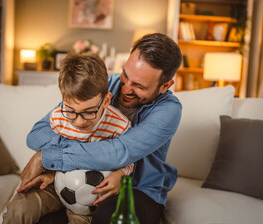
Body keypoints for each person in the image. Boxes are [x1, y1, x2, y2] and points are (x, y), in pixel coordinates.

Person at [22, 33, 183, 224]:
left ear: (165, 85)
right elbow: (39, 131)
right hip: (80, 179)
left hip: (139, 189)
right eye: (125, 74)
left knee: (110, 217)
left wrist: (47, 156)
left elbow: (119, 152)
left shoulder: (169, 110)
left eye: (138, 85)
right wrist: (61, 148)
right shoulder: (104, 85)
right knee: (44, 219)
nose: (125, 88)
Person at [3, 53, 134, 224]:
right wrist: (53, 167)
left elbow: (130, 159)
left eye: (89, 112)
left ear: (107, 100)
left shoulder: (119, 125)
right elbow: (34, 138)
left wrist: (121, 175)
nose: (79, 121)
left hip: (89, 198)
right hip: (54, 183)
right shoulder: (59, 117)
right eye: (71, 111)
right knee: (19, 210)